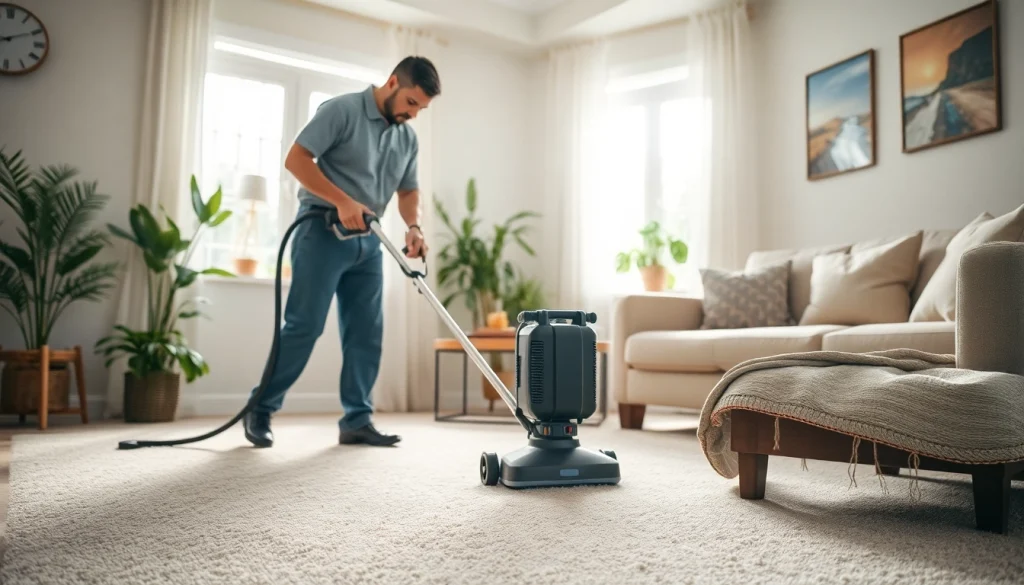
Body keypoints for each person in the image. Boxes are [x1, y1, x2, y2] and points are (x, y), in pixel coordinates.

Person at [242, 56, 440, 448]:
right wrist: (342, 200)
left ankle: (357, 420)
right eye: (411, 102)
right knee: (304, 327)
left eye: (421, 108)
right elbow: (296, 159)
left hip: (369, 241)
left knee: (366, 332)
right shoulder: (342, 110)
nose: (414, 114)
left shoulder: (407, 138)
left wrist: (414, 226)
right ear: (392, 82)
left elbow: (408, 191)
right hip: (321, 231)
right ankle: (260, 409)